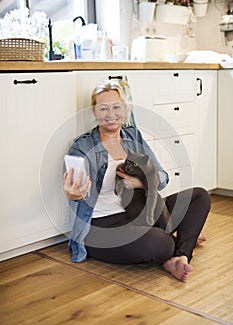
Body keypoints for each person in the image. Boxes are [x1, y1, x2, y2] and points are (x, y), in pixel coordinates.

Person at [63, 79, 210, 282]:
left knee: (199, 196)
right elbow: (76, 191)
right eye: (103, 108)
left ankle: (181, 256)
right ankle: (181, 244)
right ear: (95, 112)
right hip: (103, 226)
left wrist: (141, 183)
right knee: (160, 243)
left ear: (125, 109)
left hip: (141, 213)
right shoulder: (83, 146)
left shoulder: (133, 135)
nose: (111, 114)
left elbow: (163, 177)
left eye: (116, 107)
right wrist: (74, 194)